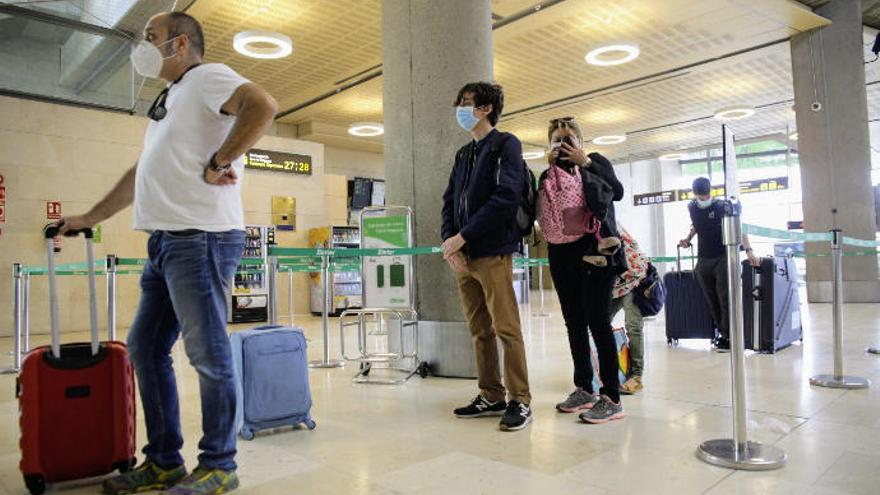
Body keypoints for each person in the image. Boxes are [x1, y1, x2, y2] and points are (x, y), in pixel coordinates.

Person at [58, 12, 277, 495]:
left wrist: (222, 160)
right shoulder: (173, 98)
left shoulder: (207, 77)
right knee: (146, 347)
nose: (143, 45)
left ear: (179, 44)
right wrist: (91, 218)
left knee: (208, 354)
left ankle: (219, 465)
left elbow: (262, 105)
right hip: (166, 241)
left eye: (150, 37)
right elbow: (144, 173)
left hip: (199, 238)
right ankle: (163, 461)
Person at [441, 82, 533, 432]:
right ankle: (491, 394)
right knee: (479, 329)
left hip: (493, 252)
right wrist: (450, 242)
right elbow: (449, 200)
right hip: (464, 256)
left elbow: (506, 196)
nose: (461, 110)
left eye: (466, 104)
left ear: (486, 109)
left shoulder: (505, 144)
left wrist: (464, 236)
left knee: (506, 328)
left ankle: (520, 399)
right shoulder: (464, 154)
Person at [537, 117, 627, 424]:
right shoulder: (547, 174)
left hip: (594, 252)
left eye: (569, 138)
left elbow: (617, 191)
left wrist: (585, 162)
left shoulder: (596, 161)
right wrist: (550, 168)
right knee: (574, 323)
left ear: (580, 141)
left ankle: (611, 396)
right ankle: (583, 388)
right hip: (560, 254)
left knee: (598, 323)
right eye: (557, 139)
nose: (563, 144)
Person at [679, 177, 758, 353]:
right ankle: (722, 333)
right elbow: (696, 226)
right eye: (700, 195)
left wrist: (749, 250)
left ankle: (731, 335)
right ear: (695, 194)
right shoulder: (692, 207)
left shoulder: (723, 206)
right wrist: (687, 239)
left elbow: (739, 227)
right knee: (710, 298)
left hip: (724, 256)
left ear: (711, 192)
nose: (704, 198)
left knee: (725, 297)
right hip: (703, 258)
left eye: (706, 195)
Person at [609, 226, 650, 394]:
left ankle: (636, 376)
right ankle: (608, 370)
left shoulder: (605, 223)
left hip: (633, 277)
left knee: (633, 325)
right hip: (614, 283)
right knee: (599, 324)